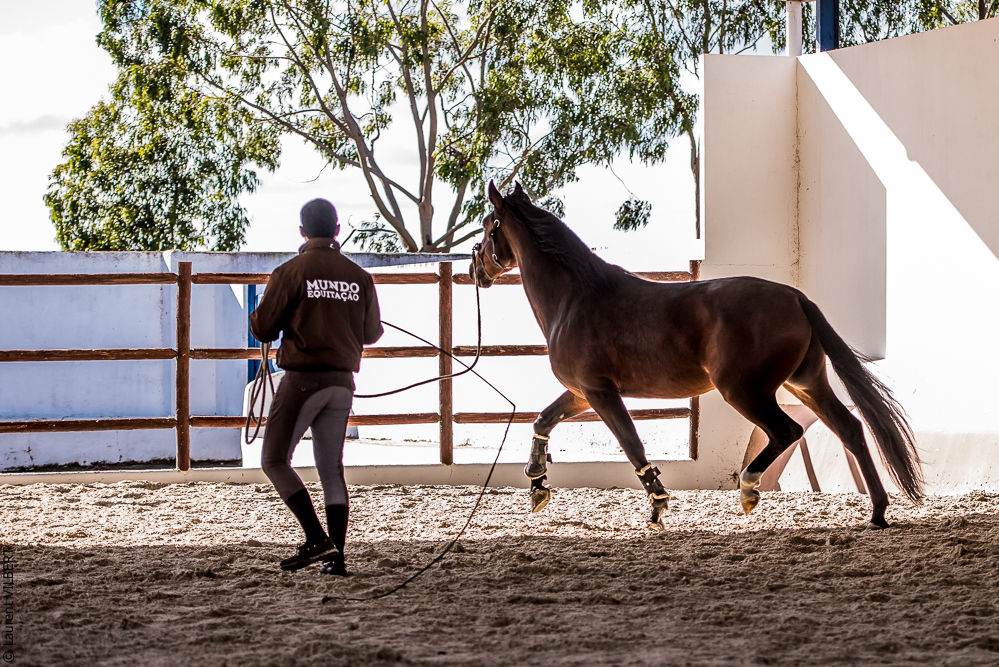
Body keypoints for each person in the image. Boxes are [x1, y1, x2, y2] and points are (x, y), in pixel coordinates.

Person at [249, 198, 383, 575]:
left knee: (274, 460)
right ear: (337, 231)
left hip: (303, 381)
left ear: (302, 232)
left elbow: (262, 328)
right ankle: (336, 558)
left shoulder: (290, 271)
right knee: (331, 470)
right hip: (342, 384)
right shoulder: (359, 277)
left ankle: (315, 537)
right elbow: (372, 333)